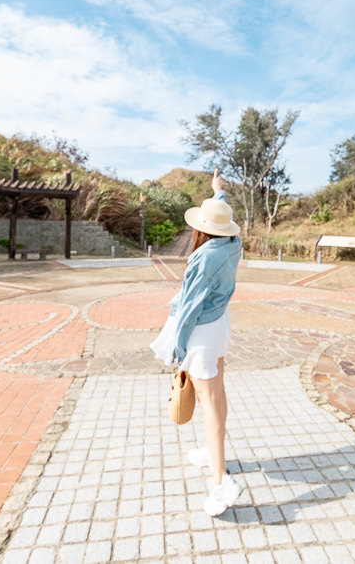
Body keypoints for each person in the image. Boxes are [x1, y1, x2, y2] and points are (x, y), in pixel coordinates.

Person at [150, 168, 242, 516]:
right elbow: (221, 208)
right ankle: (211, 450)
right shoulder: (233, 243)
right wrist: (217, 191)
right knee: (216, 393)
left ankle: (221, 482)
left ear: (201, 228)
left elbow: (188, 309)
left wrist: (180, 347)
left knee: (209, 397)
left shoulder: (204, 258)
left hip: (201, 330)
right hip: (220, 324)